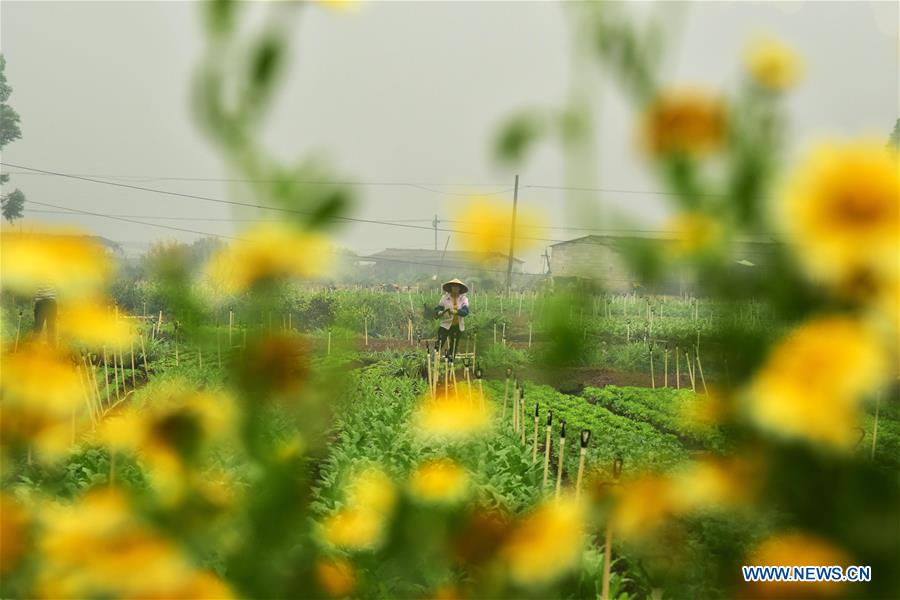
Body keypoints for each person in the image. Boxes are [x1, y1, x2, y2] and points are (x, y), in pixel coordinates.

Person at [434, 278, 469, 359]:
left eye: (457, 286)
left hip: (457, 325)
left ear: (460, 288)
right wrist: (440, 312)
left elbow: (465, 311)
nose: (455, 288)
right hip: (445, 324)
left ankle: (451, 360)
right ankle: (434, 357)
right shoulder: (444, 298)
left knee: (454, 343)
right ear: (450, 288)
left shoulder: (463, 299)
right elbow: (438, 309)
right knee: (440, 341)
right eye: (453, 286)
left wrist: (456, 312)